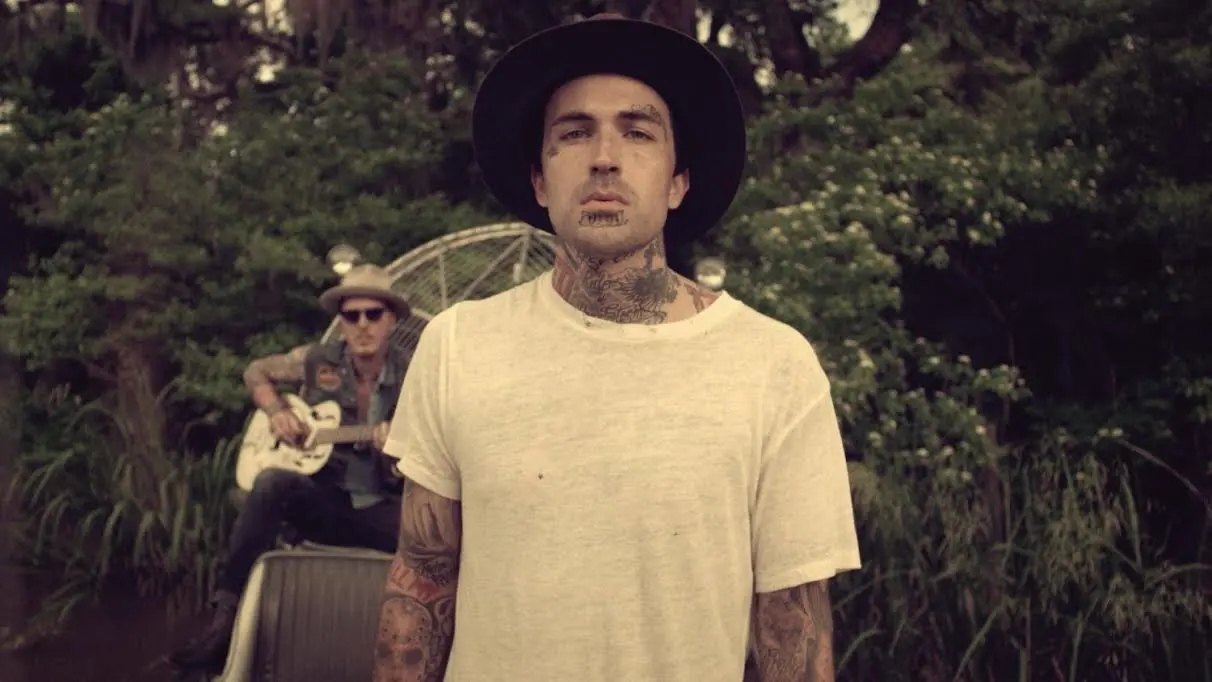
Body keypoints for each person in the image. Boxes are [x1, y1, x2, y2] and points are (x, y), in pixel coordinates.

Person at [373, 13, 862, 682]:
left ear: (677, 181)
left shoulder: (772, 364)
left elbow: (793, 625)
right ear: (540, 181)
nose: (604, 156)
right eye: (574, 133)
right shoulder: (458, 345)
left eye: (637, 132)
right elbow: (421, 584)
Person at [171, 264, 413, 674]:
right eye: (351, 315)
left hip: (380, 509)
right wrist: (278, 412)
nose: (362, 325)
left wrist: (395, 451)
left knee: (433, 527)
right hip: (324, 502)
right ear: (341, 321)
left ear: (391, 319)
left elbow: (417, 460)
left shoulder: (413, 374)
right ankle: (224, 624)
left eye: (373, 314)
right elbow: (256, 372)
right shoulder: (317, 360)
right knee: (270, 483)